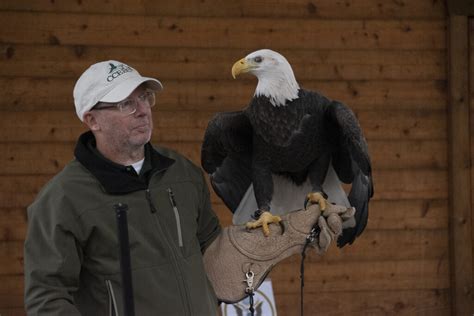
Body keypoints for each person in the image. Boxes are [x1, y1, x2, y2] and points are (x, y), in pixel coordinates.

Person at [24, 61, 222, 315]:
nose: (143, 110)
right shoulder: (62, 199)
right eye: (126, 104)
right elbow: (47, 299)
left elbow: (213, 248)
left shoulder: (181, 172)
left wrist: (256, 246)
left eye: (144, 97)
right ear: (92, 120)